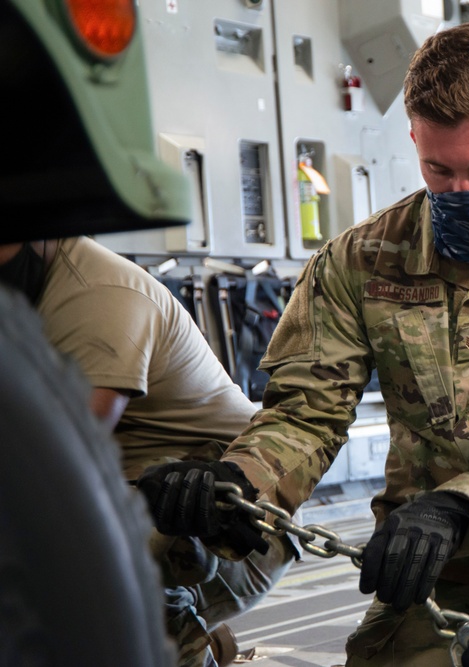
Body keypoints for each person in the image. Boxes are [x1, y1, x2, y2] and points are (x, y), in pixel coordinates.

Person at [137, 21, 469, 666]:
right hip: (433, 563)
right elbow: (307, 412)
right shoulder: (361, 261)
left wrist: (459, 507)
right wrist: (241, 480)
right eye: (439, 170)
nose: (463, 193)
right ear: (414, 139)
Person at [0, 237, 296, 667]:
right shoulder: (21, 293)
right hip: (127, 496)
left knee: (52, 579)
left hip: (230, 522)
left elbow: (59, 460)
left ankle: (173, 642)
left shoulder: (100, 293)